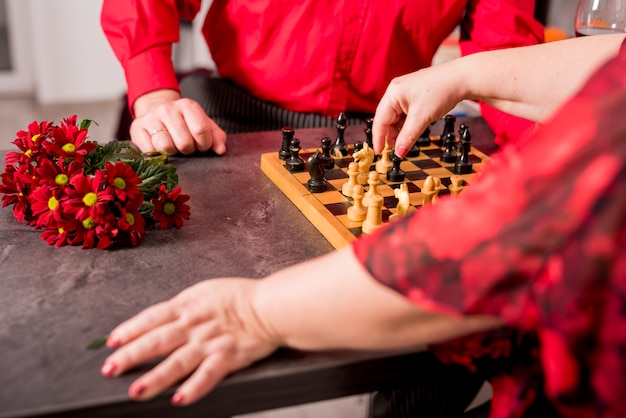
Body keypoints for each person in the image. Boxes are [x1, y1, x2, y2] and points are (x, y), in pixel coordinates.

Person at [100, 33, 626, 416]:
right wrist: (154, 90)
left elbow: (501, 242)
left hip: (384, 130)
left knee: (420, 366)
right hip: (243, 115)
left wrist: (257, 312)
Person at [100, 0, 544, 156]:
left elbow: (505, 58)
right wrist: (154, 94)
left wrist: (546, 156)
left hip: (387, 136)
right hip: (232, 120)